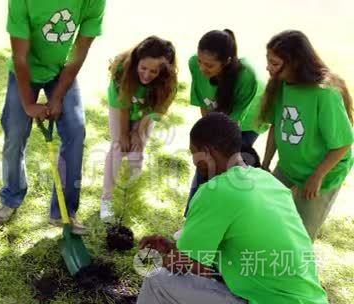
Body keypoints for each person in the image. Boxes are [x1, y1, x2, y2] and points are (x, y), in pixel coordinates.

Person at [137, 112, 328, 304]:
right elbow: (217, 260)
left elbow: (178, 264)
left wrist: (157, 259)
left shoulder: (216, 190)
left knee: (157, 280)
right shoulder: (268, 181)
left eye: (193, 152)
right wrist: (172, 248)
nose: (194, 161)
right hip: (309, 298)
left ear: (207, 152)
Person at [0, 0, 106, 235]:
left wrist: (58, 96)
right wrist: (28, 104)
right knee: (15, 131)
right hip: (25, 71)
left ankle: (64, 212)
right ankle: (11, 196)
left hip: (61, 71)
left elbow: (79, 52)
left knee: (75, 130)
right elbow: (20, 57)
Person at [261, 30, 354, 240]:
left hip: (321, 174)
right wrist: (266, 163)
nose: (268, 68)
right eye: (268, 61)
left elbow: (343, 144)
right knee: (267, 217)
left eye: (274, 63)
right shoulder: (282, 84)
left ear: (295, 63)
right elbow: (277, 125)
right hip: (289, 167)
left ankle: (294, 270)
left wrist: (317, 176)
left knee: (299, 235)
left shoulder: (325, 93)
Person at [183, 29, 268, 217]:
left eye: (210, 66)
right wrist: (205, 139)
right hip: (218, 118)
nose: (202, 68)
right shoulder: (194, 65)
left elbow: (231, 126)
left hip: (247, 122)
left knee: (227, 169)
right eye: (200, 62)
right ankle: (191, 218)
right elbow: (204, 106)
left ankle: (221, 220)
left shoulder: (247, 77)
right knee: (204, 163)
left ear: (227, 61)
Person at [100, 36, 178, 221]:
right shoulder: (122, 69)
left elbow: (157, 111)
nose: (146, 74)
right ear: (136, 61)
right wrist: (125, 133)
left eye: (153, 71)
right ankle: (107, 200)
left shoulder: (168, 83)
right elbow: (123, 104)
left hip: (146, 113)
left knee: (137, 150)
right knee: (119, 147)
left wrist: (138, 132)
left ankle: (131, 197)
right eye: (143, 68)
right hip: (121, 107)